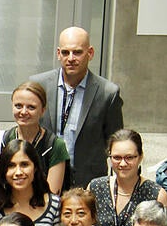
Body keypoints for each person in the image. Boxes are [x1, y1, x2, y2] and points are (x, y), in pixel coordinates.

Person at [29, 27, 123, 190]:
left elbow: (117, 143)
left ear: (90, 53)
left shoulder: (108, 93)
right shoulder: (39, 86)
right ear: (58, 53)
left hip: (86, 184)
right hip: (43, 178)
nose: (70, 58)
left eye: (77, 52)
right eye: (65, 53)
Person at [88, 129, 167, 226]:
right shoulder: (95, 188)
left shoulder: (157, 195)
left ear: (140, 157)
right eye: (117, 158)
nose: (123, 163)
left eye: (129, 158)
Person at [0, 82, 68, 197]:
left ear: (43, 110)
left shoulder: (55, 146)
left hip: (41, 211)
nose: (23, 112)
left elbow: (51, 198)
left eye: (31, 107)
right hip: (4, 211)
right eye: (18, 106)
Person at [0, 140, 59, 226]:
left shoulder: (55, 206)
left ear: (35, 168)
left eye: (24, 165)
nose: (18, 172)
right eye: (11, 166)